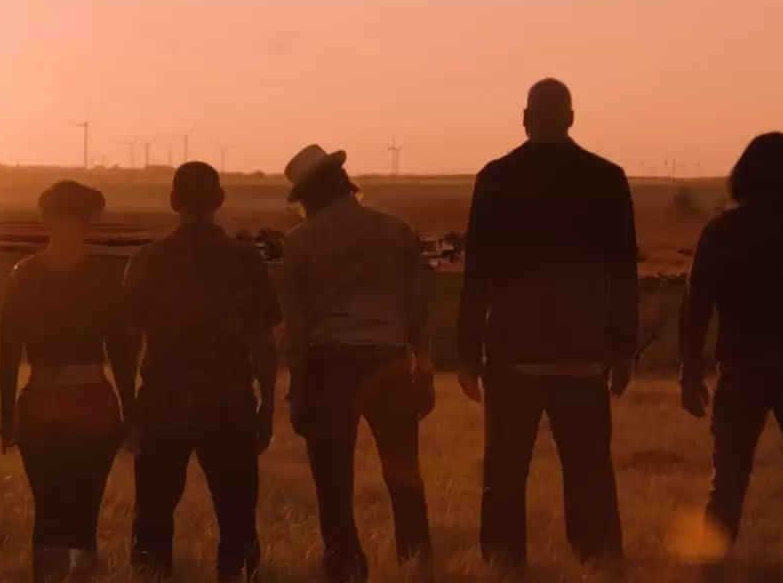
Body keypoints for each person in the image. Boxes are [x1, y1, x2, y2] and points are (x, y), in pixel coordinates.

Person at [457, 78, 637, 568]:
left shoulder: (495, 178)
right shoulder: (607, 177)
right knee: (589, 473)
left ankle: (503, 564)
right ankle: (598, 562)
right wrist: (623, 349)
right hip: (584, 351)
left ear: (525, 117)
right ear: (572, 119)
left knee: (505, 473)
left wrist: (468, 353)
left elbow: (476, 273)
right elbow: (624, 271)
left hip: (513, 353)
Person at [678, 132, 783, 569]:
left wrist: (690, 371)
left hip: (741, 368)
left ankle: (713, 562)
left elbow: (696, 305)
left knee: (729, 481)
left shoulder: (721, 232)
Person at [281, 144, 435, 582]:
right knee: (404, 471)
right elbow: (418, 309)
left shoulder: (301, 242)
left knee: (333, 480)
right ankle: (417, 560)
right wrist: (422, 366)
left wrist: (297, 390)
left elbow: (297, 326)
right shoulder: (396, 230)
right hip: (389, 361)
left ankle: (345, 566)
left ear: (307, 197)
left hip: (330, 365)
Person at [125, 162, 280, 581]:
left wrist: (129, 409)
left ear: (174, 201)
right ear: (220, 201)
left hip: (163, 402)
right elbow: (264, 343)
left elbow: (127, 342)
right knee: (237, 517)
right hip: (228, 403)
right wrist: (267, 406)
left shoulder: (147, 261)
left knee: (153, 516)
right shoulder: (245, 261)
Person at [0, 181, 139, 581]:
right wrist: (130, 412)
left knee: (48, 509)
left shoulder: (22, 276)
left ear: (45, 217)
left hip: (40, 403)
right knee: (84, 510)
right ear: (90, 220)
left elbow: (8, 353)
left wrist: (7, 414)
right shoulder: (105, 279)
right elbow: (122, 353)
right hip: (94, 403)